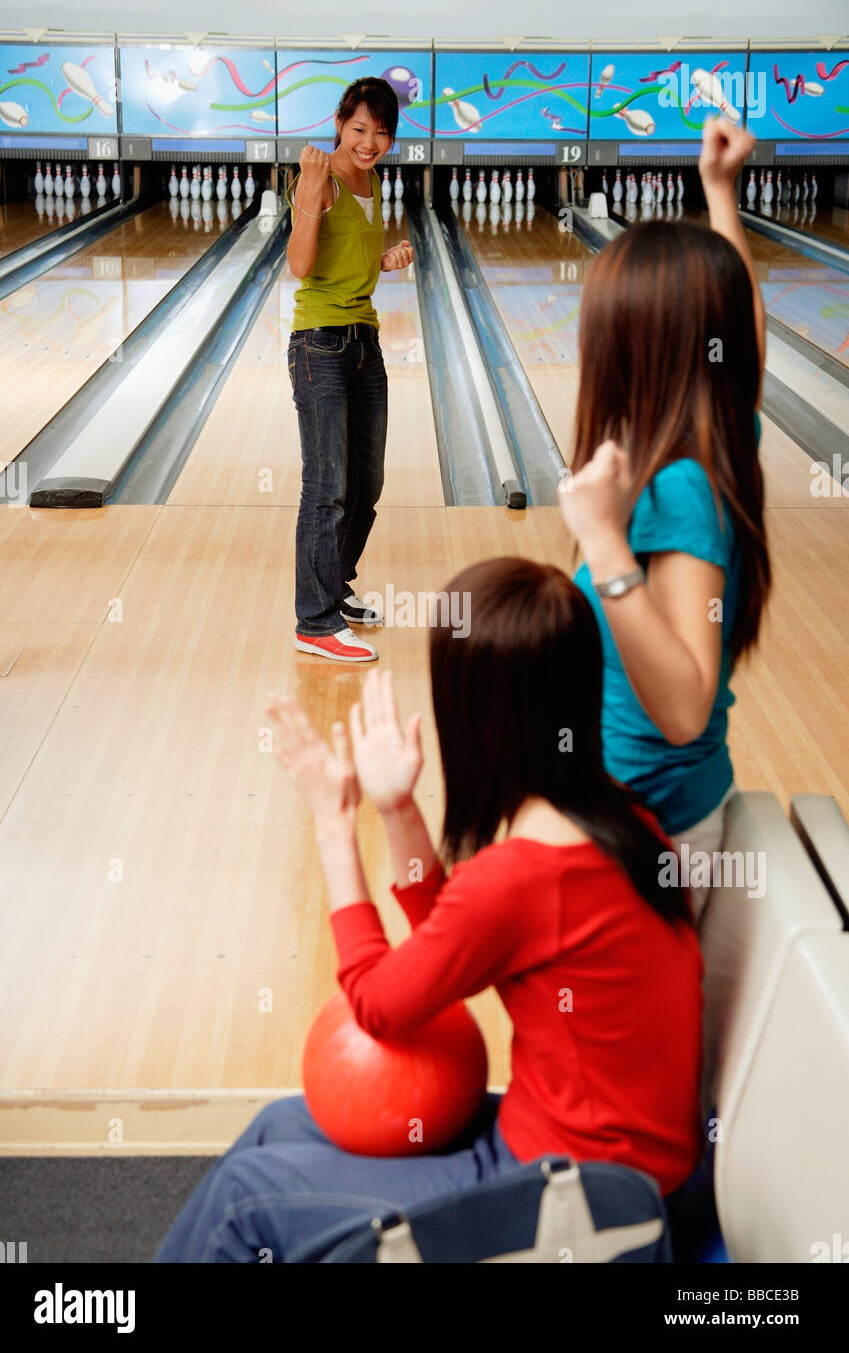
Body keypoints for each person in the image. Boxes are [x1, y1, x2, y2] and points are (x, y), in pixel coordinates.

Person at [157, 560, 702, 1262]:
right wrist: (395, 808)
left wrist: (333, 819)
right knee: (273, 1127)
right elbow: (459, 938)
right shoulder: (624, 822)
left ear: (471, 712)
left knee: (244, 1196)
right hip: (613, 1165)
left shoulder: (527, 872)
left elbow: (378, 1005)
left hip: (588, 1206)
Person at [559, 118, 771, 920]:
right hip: (648, 814)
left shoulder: (678, 491)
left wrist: (605, 543)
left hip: (649, 831)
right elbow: (737, 349)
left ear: (630, 346)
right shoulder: (717, 440)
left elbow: (683, 710)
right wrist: (720, 193)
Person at [285, 76, 414, 664]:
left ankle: (333, 592)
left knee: (367, 483)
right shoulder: (322, 181)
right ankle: (313, 623)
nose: (370, 142)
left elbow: (349, 259)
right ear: (339, 123)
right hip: (320, 346)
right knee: (327, 486)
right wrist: (310, 190)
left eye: (381, 133)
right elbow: (301, 265)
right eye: (360, 129)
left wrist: (383, 259)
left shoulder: (374, 179)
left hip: (364, 341)